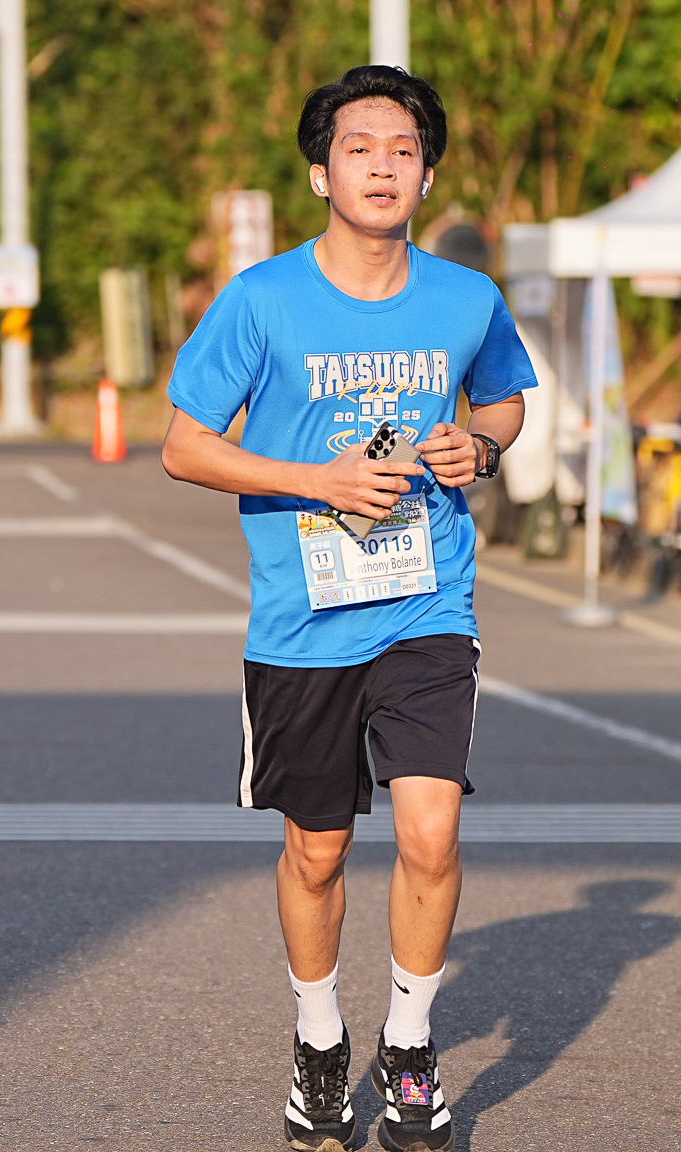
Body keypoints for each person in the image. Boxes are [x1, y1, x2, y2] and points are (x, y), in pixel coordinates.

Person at [161, 65, 535, 1152]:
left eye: (403, 150)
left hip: (427, 600)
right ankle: (319, 1040)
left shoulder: (466, 298)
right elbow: (185, 447)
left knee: (432, 830)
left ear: (427, 175)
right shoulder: (262, 299)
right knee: (317, 851)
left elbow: (504, 400)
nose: (382, 166)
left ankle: (409, 1047)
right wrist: (313, 480)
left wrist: (481, 447)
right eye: (359, 148)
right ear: (322, 173)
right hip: (303, 617)